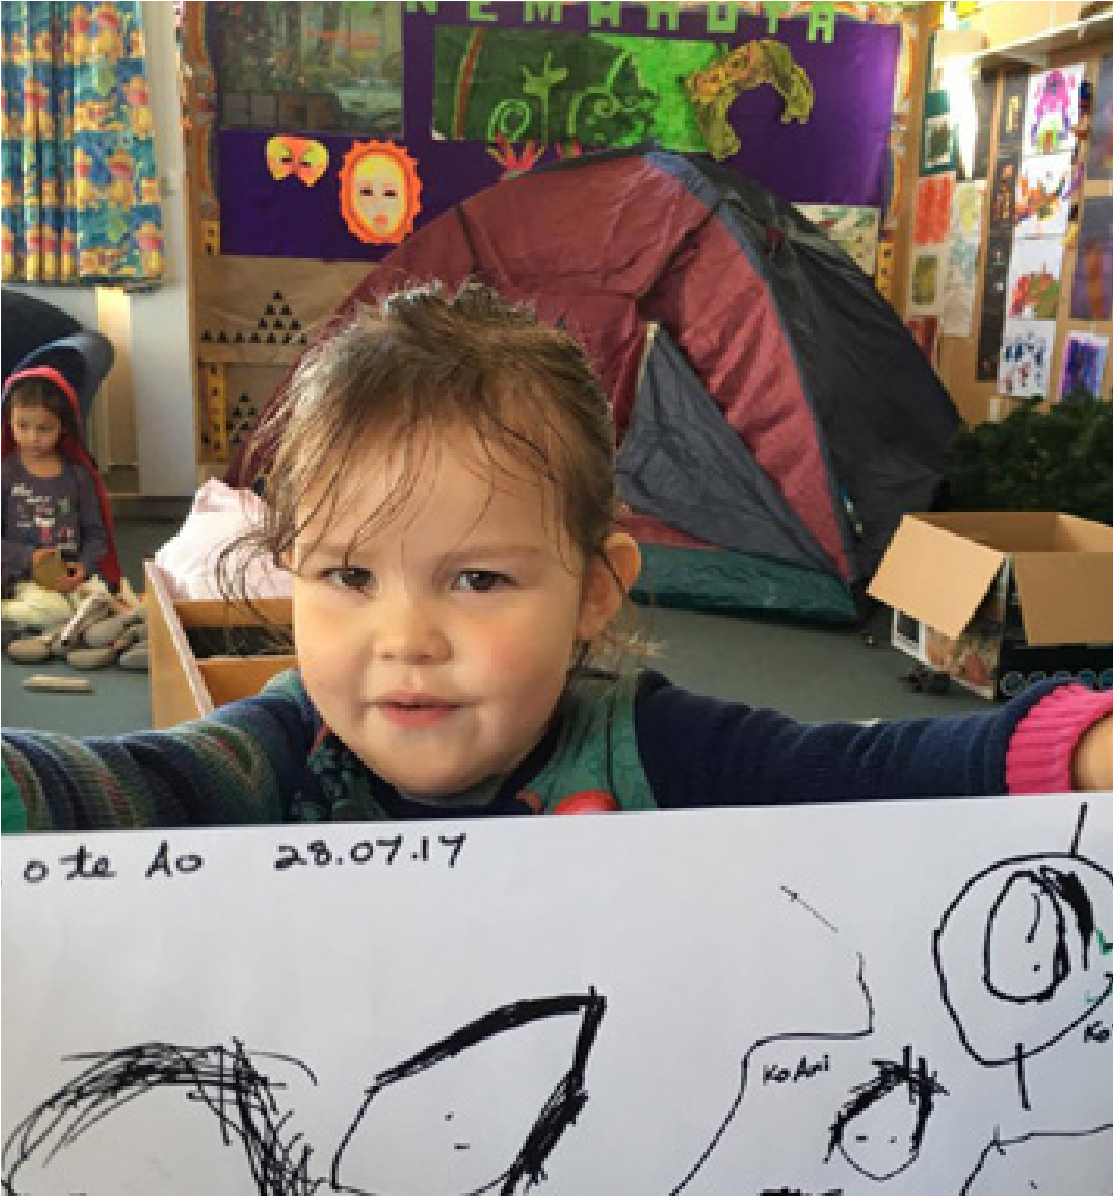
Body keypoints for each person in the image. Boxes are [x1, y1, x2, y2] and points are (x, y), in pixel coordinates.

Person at [1, 280, 1109, 832]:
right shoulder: (286, 749)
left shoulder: (649, 745)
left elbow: (872, 775)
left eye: (477, 578)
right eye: (348, 577)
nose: (406, 641)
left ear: (593, 593)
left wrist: (1078, 750)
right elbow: (114, 790)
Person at [1, 363, 120, 637]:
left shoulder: (78, 477)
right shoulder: (6, 474)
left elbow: (96, 535)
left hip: (72, 575)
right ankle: (12, 613)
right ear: (9, 422)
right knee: (54, 611)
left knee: (102, 601)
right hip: (24, 579)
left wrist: (84, 567)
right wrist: (28, 557)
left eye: (44, 428)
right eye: (23, 426)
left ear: (63, 427)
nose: (32, 437)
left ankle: (68, 622)